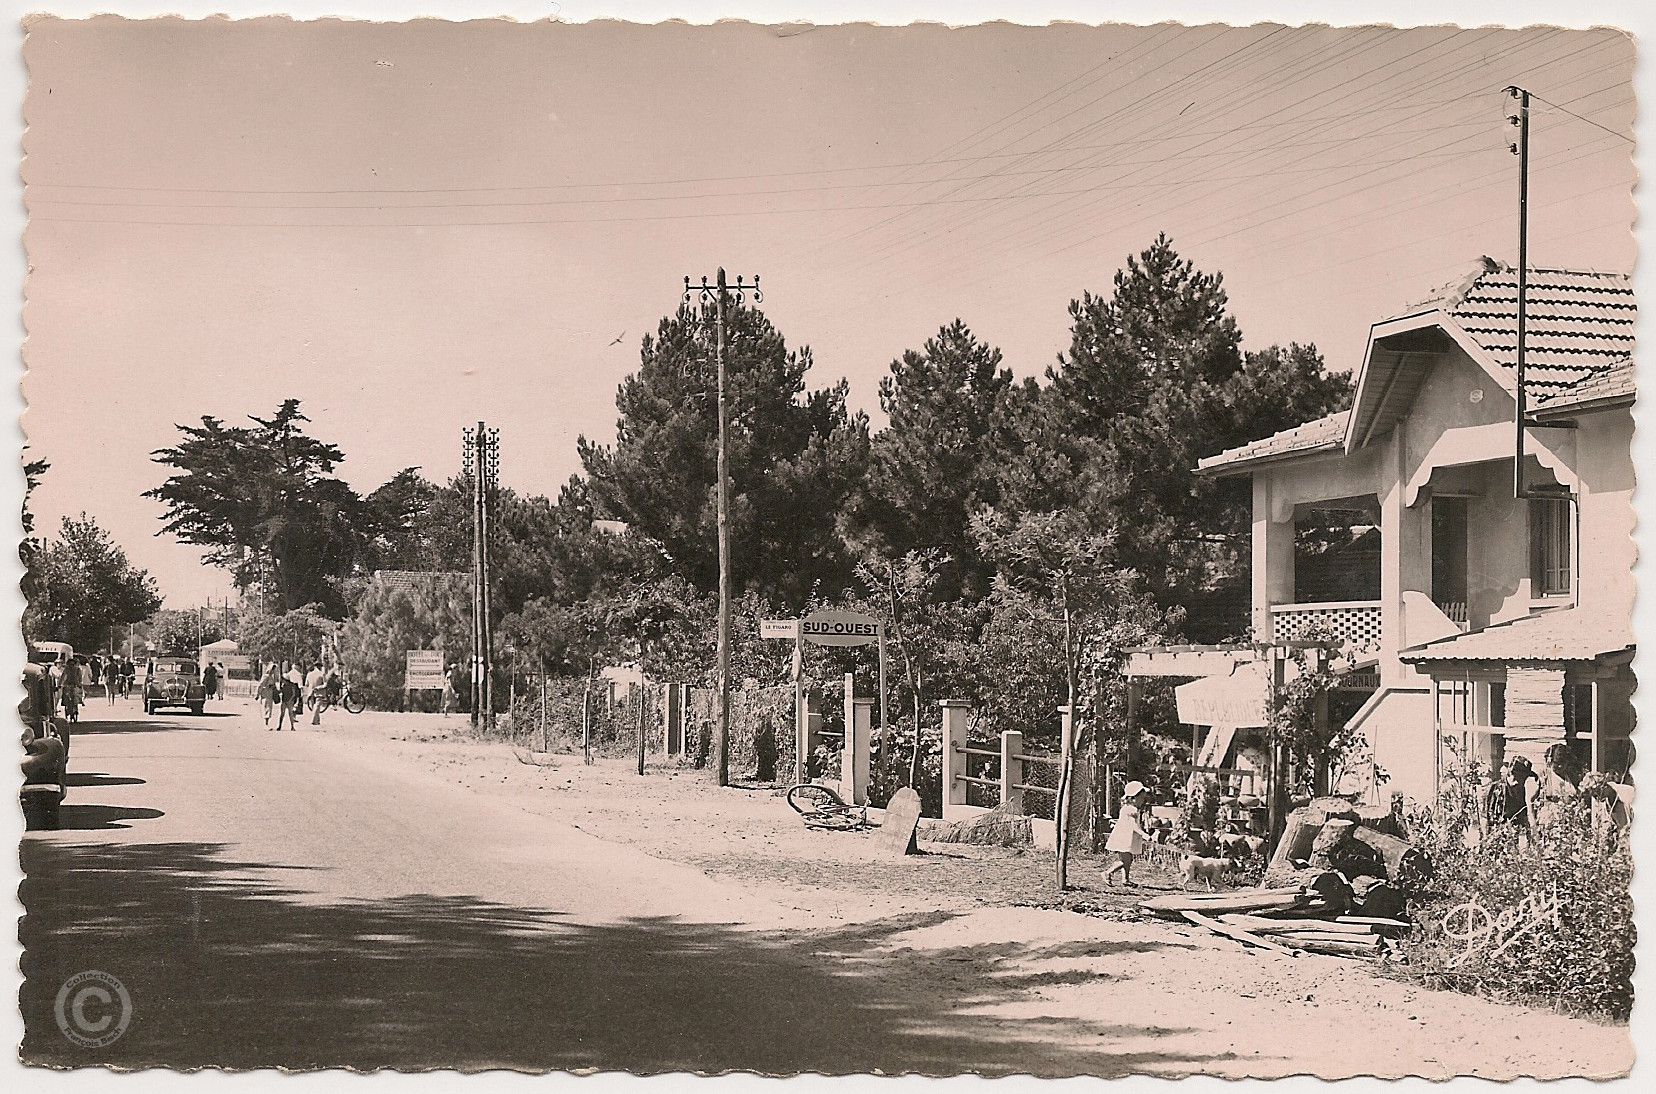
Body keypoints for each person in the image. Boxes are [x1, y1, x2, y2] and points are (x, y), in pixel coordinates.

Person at [1102, 781, 1150, 887]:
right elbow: (1133, 825)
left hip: (1125, 836)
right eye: (1141, 798)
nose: (1142, 801)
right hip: (1124, 838)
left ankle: (1125, 879)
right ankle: (1108, 873)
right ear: (1133, 798)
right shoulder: (1131, 810)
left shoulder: (1128, 808)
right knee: (1124, 861)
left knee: (1127, 859)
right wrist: (1144, 834)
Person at [275, 661, 304, 731]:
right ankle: (281, 726)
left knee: (288, 714)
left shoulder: (291, 685)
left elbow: (293, 693)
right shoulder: (286, 685)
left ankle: (291, 726)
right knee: (284, 714)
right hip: (285, 700)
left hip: (288, 700)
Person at [60, 656, 84, 724]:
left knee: (73, 698)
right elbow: (63, 677)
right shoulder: (75, 669)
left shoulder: (69, 669)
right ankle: (73, 709)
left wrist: (60, 684)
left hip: (71, 685)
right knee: (71, 698)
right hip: (71, 685)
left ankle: (73, 710)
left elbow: (63, 677)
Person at [257, 661, 280, 726]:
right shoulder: (266, 676)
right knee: (266, 707)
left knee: (269, 707)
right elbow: (260, 685)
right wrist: (258, 694)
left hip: (270, 693)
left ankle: (267, 723)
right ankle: (265, 724)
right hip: (265, 693)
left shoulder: (272, 677)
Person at [306, 660, 327, 725]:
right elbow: (325, 684)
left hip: (310, 692)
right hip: (319, 692)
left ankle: (317, 720)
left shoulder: (309, 674)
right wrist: (318, 687)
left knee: (314, 707)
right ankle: (314, 720)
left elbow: (306, 684)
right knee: (317, 707)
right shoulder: (322, 674)